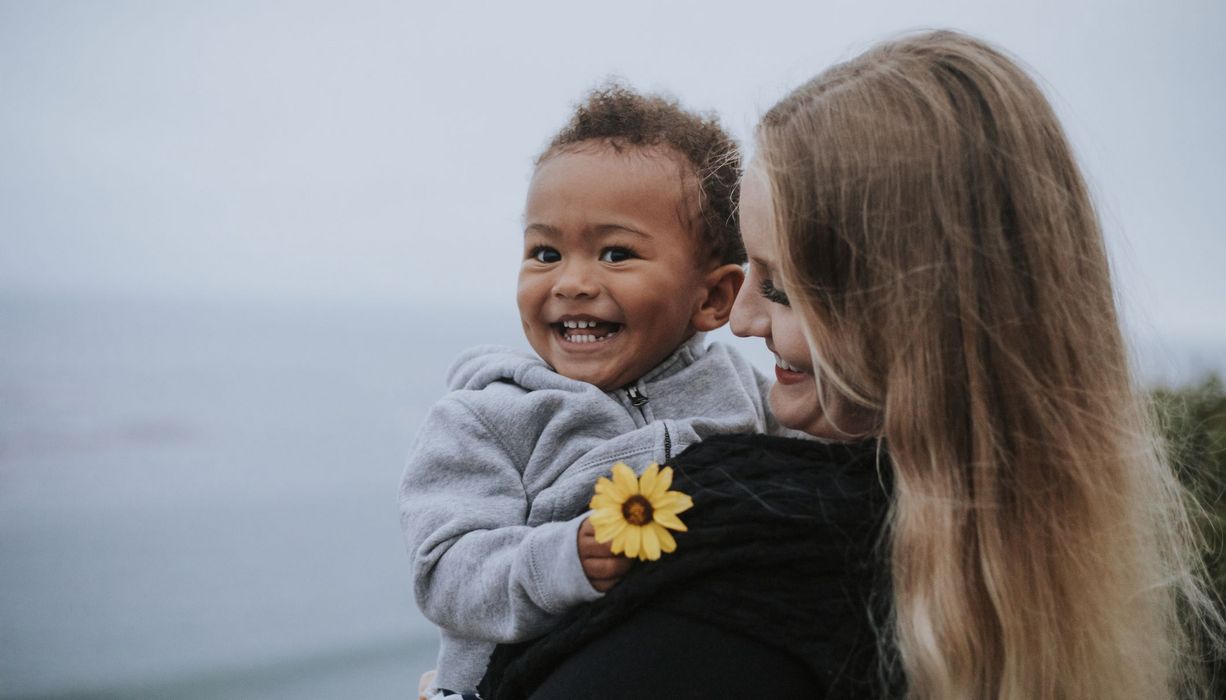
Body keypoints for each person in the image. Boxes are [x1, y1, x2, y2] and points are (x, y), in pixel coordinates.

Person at [478, 30, 1221, 699]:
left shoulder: (740, 566)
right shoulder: (1030, 575)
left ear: (908, 315)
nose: (740, 321)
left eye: (781, 288)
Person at [400, 85, 790, 699]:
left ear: (714, 297)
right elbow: (445, 573)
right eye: (545, 252)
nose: (573, 281)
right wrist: (562, 559)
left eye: (615, 253)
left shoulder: (748, 395)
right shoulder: (487, 417)